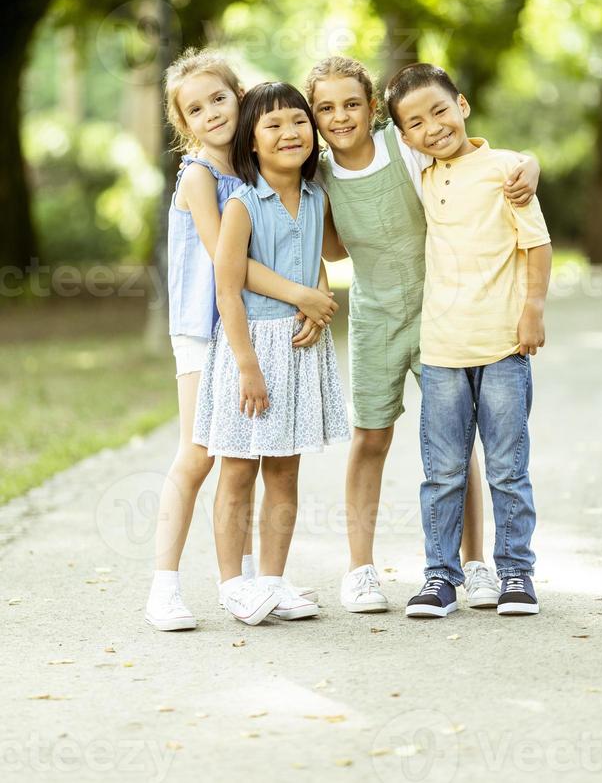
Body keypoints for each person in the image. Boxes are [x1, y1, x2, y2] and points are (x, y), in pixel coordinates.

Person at [305, 55, 541, 613]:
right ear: (313, 116)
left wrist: (529, 163)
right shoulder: (318, 174)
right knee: (371, 437)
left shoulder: (403, 145)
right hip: (376, 318)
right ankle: (360, 569)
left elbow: (471, 155)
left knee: (459, 445)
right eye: (326, 108)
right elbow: (332, 247)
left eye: (352, 104)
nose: (341, 117)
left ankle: (476, 562)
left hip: (443, 312)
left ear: (374, 110)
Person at [145, 50, 337, 632]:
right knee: (203, 454)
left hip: (253, 326)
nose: (211, 113)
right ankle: (165, 587)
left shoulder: (262, 172)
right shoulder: (202, 176)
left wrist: (309, 293)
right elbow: (226, 263)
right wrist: (305, 295)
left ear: (240, 96)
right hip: (205, 330)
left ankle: (257, 583)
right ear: (184, 124)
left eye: (219, 98)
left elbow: (304, 242)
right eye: (195, 109)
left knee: (261, 450)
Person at [386, 62, 551, 618]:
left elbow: (537, 244)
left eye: (439, 109)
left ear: (463, 104)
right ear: (405, 138)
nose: (432, 126)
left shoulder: (506, 170)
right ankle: (439, 578)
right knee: (443, 472)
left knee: (507, 468)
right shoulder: (423, 176)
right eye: (415, 122)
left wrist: (533, 311)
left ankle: (516, 574)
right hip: (441, 352)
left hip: (504, 345)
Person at [193, 82, 350, 626]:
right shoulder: (241, 203)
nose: (290, 133)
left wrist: (317, 303)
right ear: (252, 142)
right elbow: (227, 289)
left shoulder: (316, 198)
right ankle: (232, 585)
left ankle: (274, 581)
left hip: (300, 348)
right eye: (273, 125)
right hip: (251, 351)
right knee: (237, 469)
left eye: (299, 121)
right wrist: (247, 366)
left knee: (284, 471)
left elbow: (316, 263)